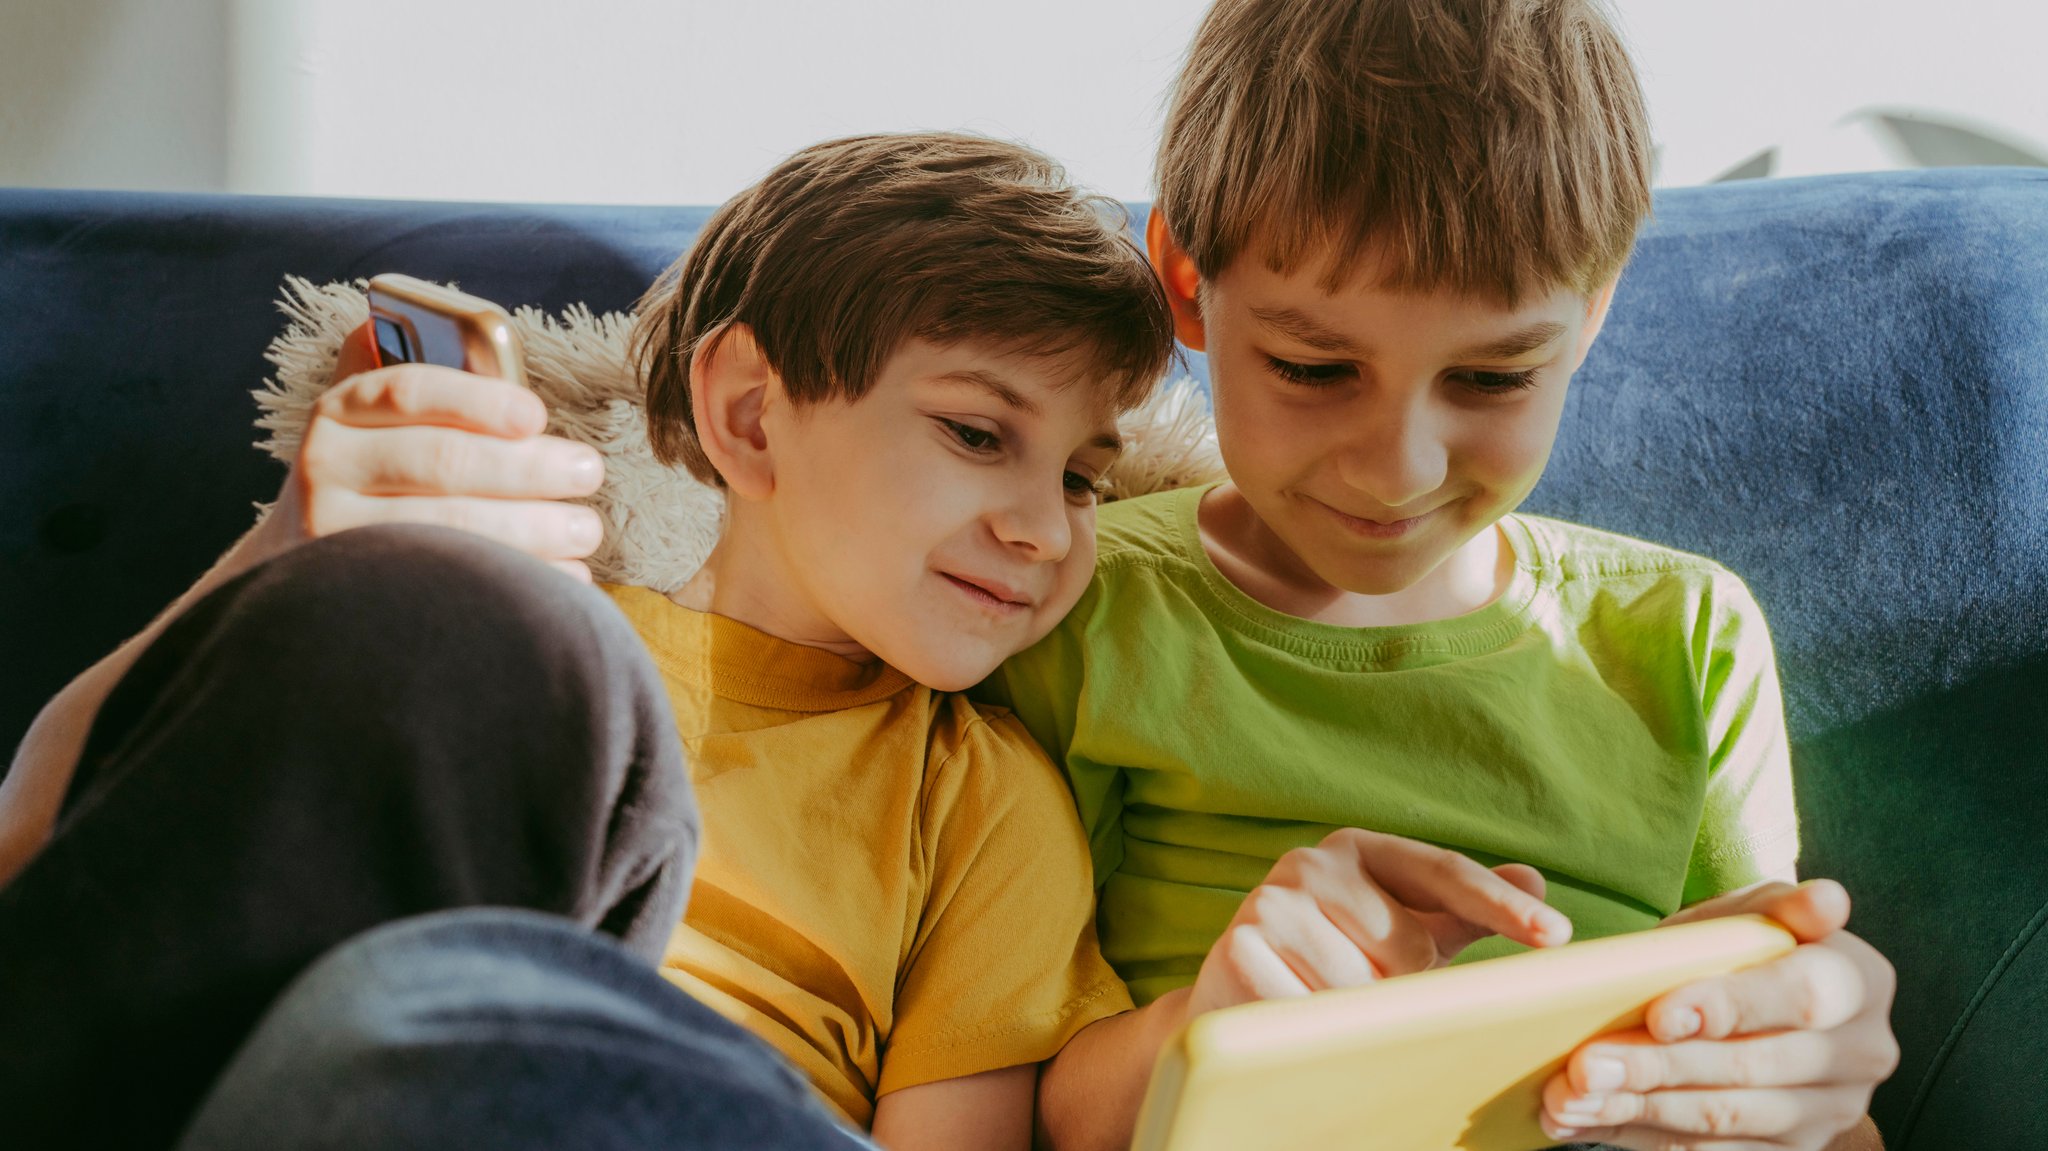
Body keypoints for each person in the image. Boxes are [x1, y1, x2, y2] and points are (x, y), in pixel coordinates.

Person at [0, 130, 1557, 1151]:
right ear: (750, 411)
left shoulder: (978, 797)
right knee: (473, 638)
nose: (1046, 523)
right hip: (310, 1078)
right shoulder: (535, 654)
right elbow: (47, 865)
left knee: (420, 993)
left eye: (1083, 476)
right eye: (974, 433)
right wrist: (287, 561)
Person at [983, 2, 1902, 1149]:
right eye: (1313, 367)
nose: (1394, 470)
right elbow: (994, 1098)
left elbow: (1793, 1078)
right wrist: (1208, 1030)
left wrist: (1803, 1073)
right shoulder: (1067, 603)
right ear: (1183, 279)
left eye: (1491, 377)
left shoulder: (1682, 632)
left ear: (1590, 317)